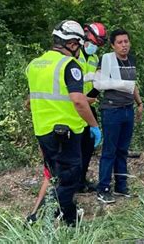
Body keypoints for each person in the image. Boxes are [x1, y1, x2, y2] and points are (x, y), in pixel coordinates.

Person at [26, 20, 102, 225]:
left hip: (43, 131)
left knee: (57, 176)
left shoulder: (34, 65)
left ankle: (71, 223)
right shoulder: (70, 65)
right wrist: (94, 126)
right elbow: (78, 100)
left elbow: (29, 101)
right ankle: (42, 217)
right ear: (73, 44)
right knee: (70, 179)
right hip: (66, 132)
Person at [92, 29, 144, 204]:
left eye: (126, 41)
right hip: (112, 110)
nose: (124, 45)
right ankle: (103, 188)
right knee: (110, 151)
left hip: (127, 109)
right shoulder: (106, 60)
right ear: (113, 45)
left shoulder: (130, 60)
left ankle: (121, 186)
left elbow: (131, 85)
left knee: (123, 150)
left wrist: (139, 103)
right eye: (120, 42)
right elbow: (98, 83)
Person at [76, 22, 108, 193]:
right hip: (73, 106)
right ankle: (68, 183)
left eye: (98, 45)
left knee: (87, 146)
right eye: (94, 43)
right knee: (73, 146)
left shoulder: (94, 58)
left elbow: (97, 81)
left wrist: (92, 96)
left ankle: (81, 181)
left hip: (88, 105)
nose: (95, 48)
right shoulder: (73, 56)